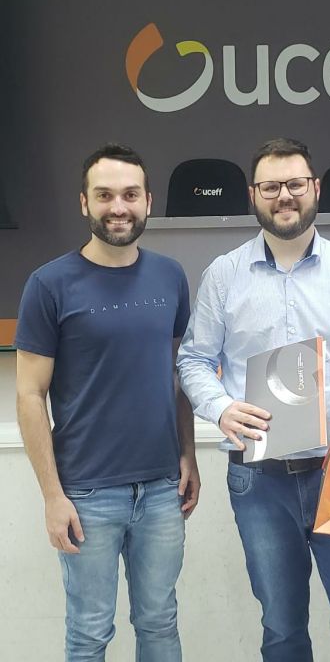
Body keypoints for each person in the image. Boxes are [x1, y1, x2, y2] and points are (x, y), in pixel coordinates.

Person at [177, 137, 330, 661]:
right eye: (271, 186)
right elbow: (193, 360)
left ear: (315, 188)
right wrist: (221, 408)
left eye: (295, 184)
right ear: (253, 195)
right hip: (259, 480)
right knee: (281, 631)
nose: (285, 196)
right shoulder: (223, 275)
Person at [14, 143, 200, 662]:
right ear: (84, 203)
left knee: (159, 623)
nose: (118, 207)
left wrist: (188, 454)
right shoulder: (49, 284)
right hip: (86, 493)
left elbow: (177, 375)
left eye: (130, 195)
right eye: (105, 195)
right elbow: (29, 394)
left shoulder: (170, 276)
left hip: (162, 489)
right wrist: (53, 496)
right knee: (90, 632)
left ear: (148, 202)